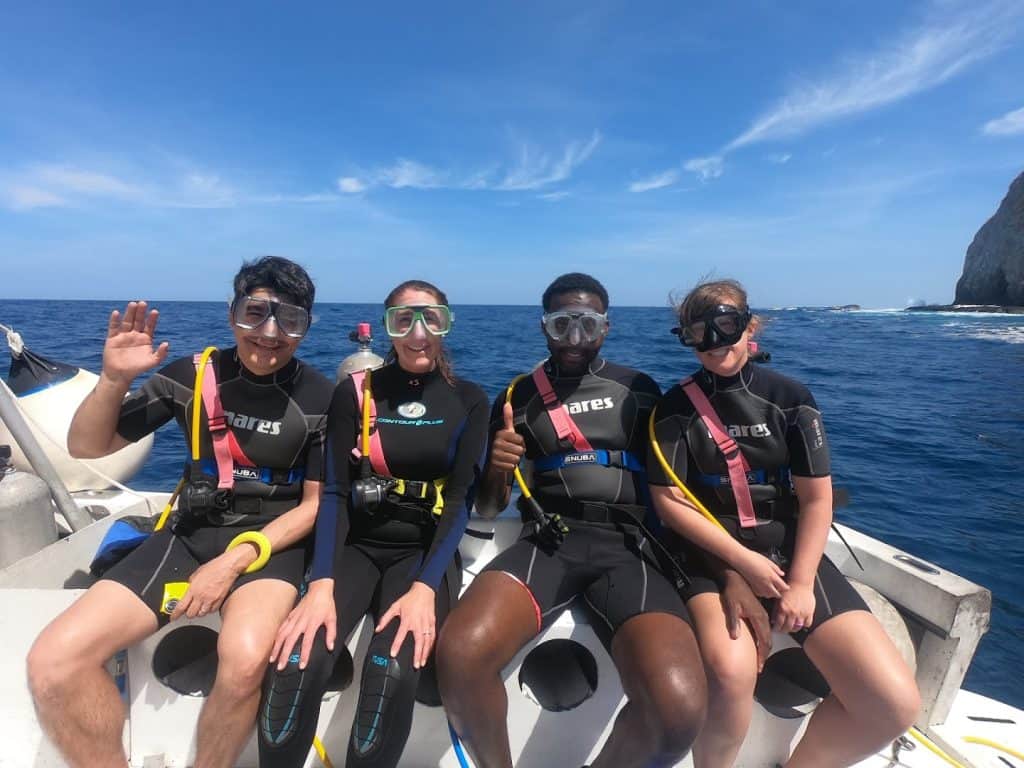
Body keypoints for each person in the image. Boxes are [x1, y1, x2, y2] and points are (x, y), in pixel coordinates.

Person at [27, 256, 335, 768]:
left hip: (269, 545)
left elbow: (316, 505)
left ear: (306, 327)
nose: (269, 332)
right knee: (53, 663)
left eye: (290, 320)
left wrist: (232, 563)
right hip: (187, 534)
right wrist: (111, 380)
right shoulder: (189, 376)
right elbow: (84, 447)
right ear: (231, 313)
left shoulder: (323, 397)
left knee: (243, 662)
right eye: (254, 313)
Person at [437, 273, 707, 768]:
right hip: (550, 541)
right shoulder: (519, 397)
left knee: (679, 714)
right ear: (544, 328)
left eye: (587, 325)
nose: (575, 340)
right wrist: (497, 465)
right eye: (562, 325)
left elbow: (676, 481)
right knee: (460, 655)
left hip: (631, 549)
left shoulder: (639, 390)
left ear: (606, 328)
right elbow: (493, 508)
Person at [648, 278, 921, 768]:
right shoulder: (673, 409)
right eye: (698, 333)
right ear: (685, 338)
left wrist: (799, 584)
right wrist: (741, 564)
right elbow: (670, 501)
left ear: (748, 325)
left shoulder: (790, 398)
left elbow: (817, 500)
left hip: (788, 557)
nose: (715, 344)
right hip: (715, 559)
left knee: (892, 704)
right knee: (731, 675)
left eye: (726, 326)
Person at [259, 279, 489, 768]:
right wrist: (319, 584)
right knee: (296, 662)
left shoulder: (469, 399)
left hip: (422, 555)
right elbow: (336, 493)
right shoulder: (356, 393)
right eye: (403, 320)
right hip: (355, 548)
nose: (418, 332)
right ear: (388, 328)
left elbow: (461, 501)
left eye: (431, 318)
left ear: (447, 324)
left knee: (392, 670)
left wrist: (426, 588)